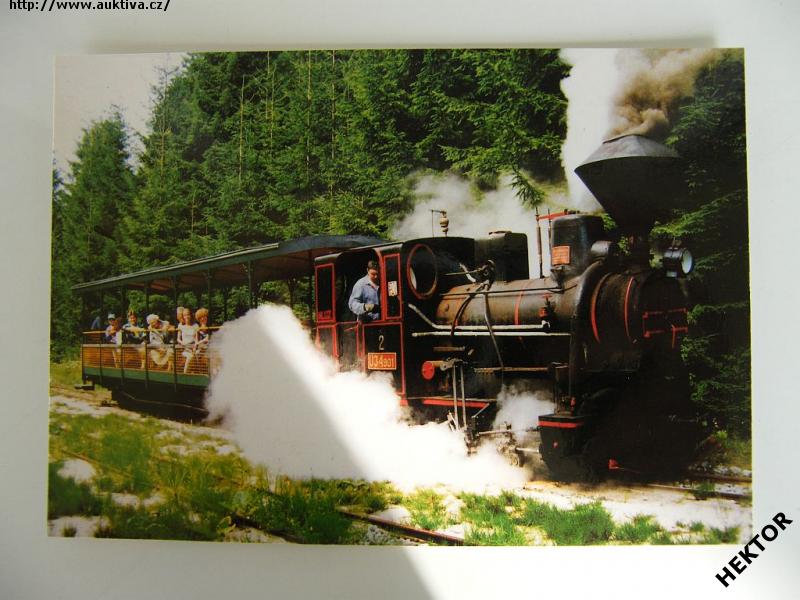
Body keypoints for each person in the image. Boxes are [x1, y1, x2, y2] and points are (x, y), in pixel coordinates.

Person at [177, 307, 199, 373]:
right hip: (185, 348)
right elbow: (178, 339)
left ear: (191, 315)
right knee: (190, 356)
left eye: (188, 314)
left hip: (193, 348)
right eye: (185, 315)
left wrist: (195, 347)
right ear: (183, 316)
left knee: (196, 355)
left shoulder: (195, 325)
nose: (186, 317)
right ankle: (185, 373)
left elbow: (196, 340)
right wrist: (182, 343)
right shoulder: (180, 326)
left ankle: (194, 373)